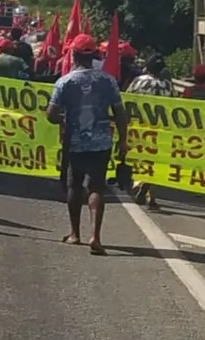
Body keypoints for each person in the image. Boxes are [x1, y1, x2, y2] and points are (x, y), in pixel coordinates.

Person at [46, 34, 128, 255]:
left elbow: (51, 114)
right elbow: (120, 113)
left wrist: (65, 118)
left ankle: (75, 234)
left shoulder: (64, 82)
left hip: (74, 142)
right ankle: (96, 236)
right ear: (94, 56)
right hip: (102, 142)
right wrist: (123, 140)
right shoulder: (108, 81)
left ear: (73, 55)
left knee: (74, 186)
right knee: (96, 187)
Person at [126, 53, 177, 209]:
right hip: (160, 129)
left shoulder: (138, 82)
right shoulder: (167, 85)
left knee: (141, 158)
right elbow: (174, 105)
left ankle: (142, 186)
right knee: (156, 162)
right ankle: (150, 193)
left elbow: (128, 99)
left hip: (140, 128)